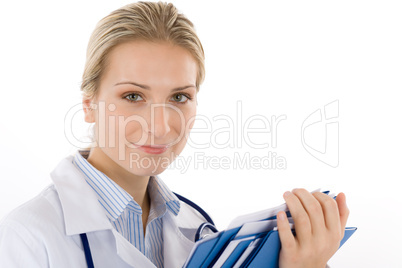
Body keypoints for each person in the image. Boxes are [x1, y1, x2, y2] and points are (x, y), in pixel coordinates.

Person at [0, 1, 349, 267]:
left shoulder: (198, 228)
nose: (162, 126)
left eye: (179, 97)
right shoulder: (27, 237)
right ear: (90, 105)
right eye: (133, 96)